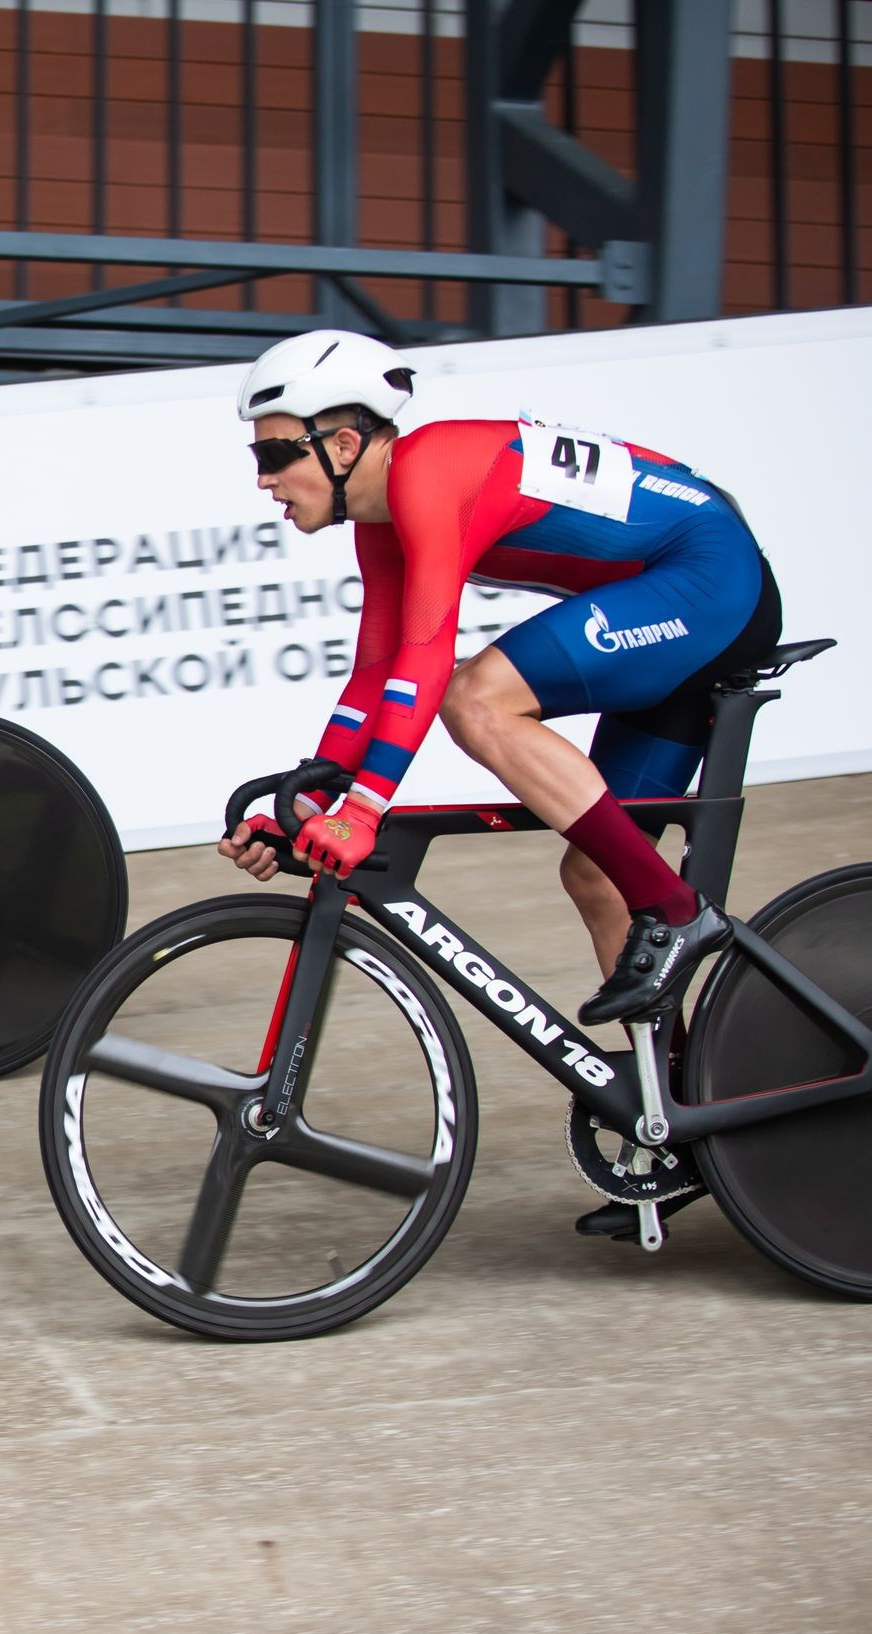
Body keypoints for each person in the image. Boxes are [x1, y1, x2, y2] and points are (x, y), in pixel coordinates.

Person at [215, 330, 780, 1233]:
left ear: (346, 441)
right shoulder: (381, 524)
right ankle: (681, 1129)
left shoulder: (429, 472)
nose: (263, 477)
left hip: (709, 580)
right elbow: (374, 677)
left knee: (479, 698)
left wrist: (367, 808)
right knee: (596, 870)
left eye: (277, 452)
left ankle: (678, 916)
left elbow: (429, 661)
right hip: (673, 597)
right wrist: (315, 804)